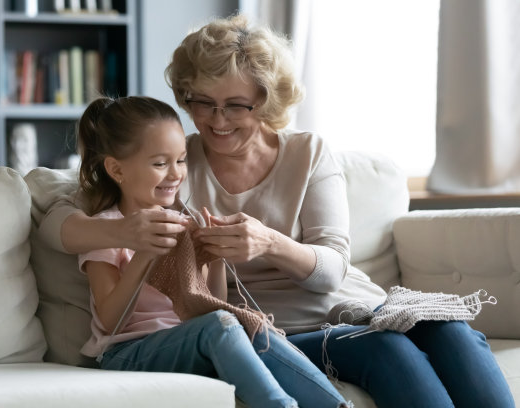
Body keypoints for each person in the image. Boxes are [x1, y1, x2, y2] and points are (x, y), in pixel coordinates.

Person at [40, 15, 514, 408]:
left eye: (236, 106)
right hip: (286, 328)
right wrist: (129, 230)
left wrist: (269, 242)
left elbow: (332, 268)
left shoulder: (307, 153)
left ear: (268, 100)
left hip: (357, 304)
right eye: (202, 103)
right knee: (390, 352)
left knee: (451, 332)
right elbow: (61, 218)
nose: (217, 121)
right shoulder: (173, 166)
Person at [71, 95, 352, 408]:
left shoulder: (184, 222)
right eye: (160, 163)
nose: (175, 174)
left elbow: (210, 304)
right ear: (117, 170)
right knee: (222, 325)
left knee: (248, 323)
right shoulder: (107, 228)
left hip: (191, 341)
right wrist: (145, 254)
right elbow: (110, 322)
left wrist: (216, 257)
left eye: (180, 160)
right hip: (127, 353)